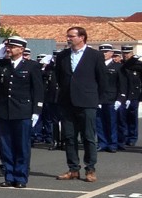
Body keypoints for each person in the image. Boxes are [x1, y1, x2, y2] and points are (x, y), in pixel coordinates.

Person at [0, 37, 45, 188]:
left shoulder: (32, 66)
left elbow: (38, 90)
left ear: (21, 49)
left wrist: (37, 110)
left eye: (12, 47)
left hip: (23, 111)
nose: (8, 49)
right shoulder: (1, 65)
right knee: (6, 145)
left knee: (22, 146)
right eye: (7, 46)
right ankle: (9, 176)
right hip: (3, 111)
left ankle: (21, 177)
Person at [52, 25, 109, 183]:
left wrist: (98, 100)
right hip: (67, 101)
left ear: (82, 37)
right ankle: (73, 169)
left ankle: (90, 169)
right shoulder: (63, 55)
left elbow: (102, 79)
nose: (68, 38)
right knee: (69, 137)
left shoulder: (95, 55)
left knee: (88, 137)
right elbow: (59, 77)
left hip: (87, 101)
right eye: (68, 36)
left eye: (72, 36)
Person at [96, 45, 123, 154]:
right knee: (99, 122)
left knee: (111, 122)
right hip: (99, 98)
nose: (104, 54)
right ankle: (102, 143)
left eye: (106, 52)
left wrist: (120, 98)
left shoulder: (118, 66)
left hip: (112, 98)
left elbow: (122, 83)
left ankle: (112, 144)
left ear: (111, 53)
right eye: (102, 52)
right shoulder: (97, 66)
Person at [121, 45, 141, 148]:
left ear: (132, 53)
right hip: (122, 95)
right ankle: (123, 137)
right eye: (124, 53)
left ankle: (132, 138)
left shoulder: (138, 65)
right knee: (122, 117)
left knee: (132, 117)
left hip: (134, 94)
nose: (125, 55)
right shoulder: (120, 64)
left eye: (127, 53)